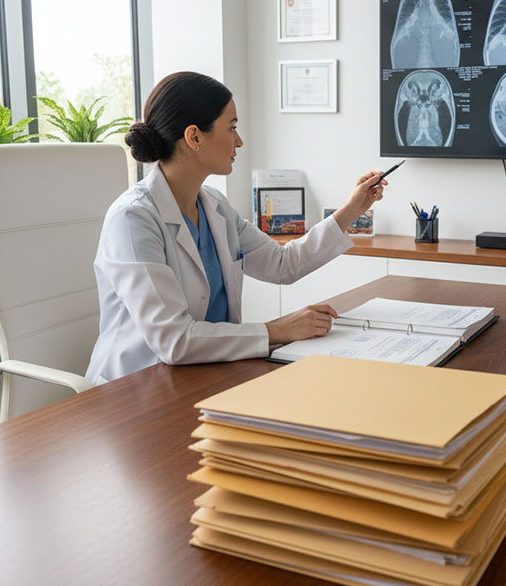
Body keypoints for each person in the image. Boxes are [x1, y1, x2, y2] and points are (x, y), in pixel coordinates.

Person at [85, 71, 387, 384]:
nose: (239, 141)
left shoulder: (215, 206)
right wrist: (277, 330)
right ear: (194, 137)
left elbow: (283, 264)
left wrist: (353, 209)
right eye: (232, 128)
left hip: (206, 373)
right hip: (136, 388)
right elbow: (174, 340)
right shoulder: (133, 219)